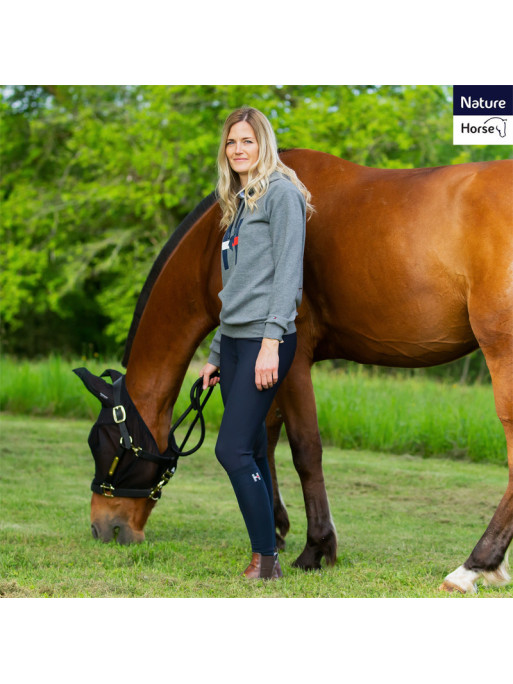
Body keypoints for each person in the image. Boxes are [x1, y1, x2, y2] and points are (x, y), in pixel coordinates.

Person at [199, 106, 313, 579]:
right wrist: (216, 354)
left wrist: (270, 343)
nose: (238, 149)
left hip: (267, 342)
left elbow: (289, 274)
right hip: (236, 342)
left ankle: (265, 557)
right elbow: (234, 289)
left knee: (232, 451)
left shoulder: (281, 194)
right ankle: (266, 551)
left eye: (246, 140)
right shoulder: (242, 202)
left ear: (263, 144)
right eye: (231, 142)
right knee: (251, 447)